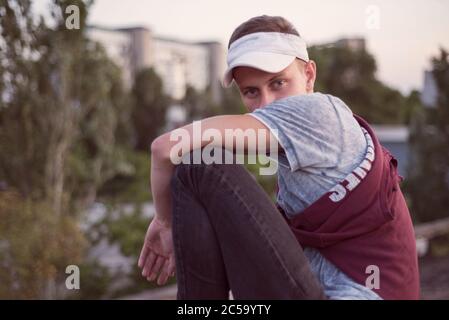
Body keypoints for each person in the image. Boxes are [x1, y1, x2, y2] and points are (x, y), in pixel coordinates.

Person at [137, 15, 420, 300]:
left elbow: (164, 148)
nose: (265, 104)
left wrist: (164, 221)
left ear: (309, 75)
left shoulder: (318, 114)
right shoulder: (307, 146)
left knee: (201, 165)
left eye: (278, 83)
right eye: (251, 92)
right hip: (319, 291)